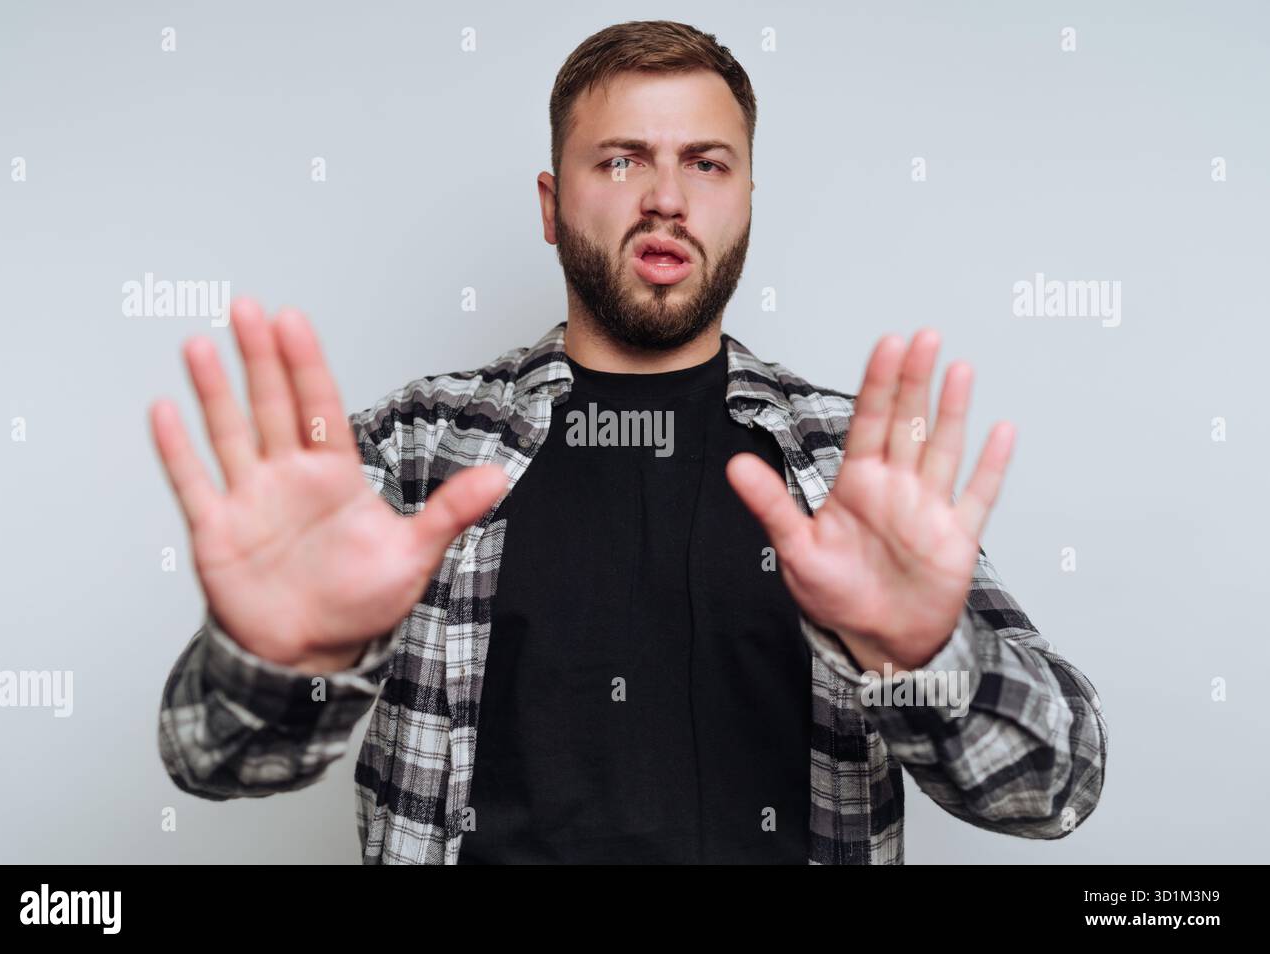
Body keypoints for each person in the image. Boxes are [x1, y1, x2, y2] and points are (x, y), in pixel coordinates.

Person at [152, 20, 1107, 864]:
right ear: (548, 203)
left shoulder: (853, 459)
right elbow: (213, 757)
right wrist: (282, 664)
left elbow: (1056, 789)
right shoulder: (415, 447)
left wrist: (922, 655)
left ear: (745, 199)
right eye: (619, 160)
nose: (665, 198)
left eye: (706, 161)